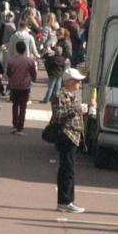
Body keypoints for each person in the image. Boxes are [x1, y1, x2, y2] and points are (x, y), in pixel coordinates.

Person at [51, 67, 88, 213]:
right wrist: (78, 109)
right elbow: (59, 115)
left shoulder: (72, 94)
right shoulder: (61, 95)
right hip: (66, 135)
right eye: (77, 81)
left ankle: (67, 200)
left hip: (73, 135)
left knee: (68, 169)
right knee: (68, 170)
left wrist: (84, 110)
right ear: (70, 82)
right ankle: (65, 201)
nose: (80, 83)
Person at [6, 39, 37, 134]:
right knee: (23, 106)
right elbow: (33, 73)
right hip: (25, 86)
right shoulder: (30, 61)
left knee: (15, 105)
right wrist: (33, 79)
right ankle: (21, 125)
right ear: (25, 49)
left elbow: (8, 73)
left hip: (14, 85)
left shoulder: (11, 61)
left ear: (16, 49)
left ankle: (15, 123)